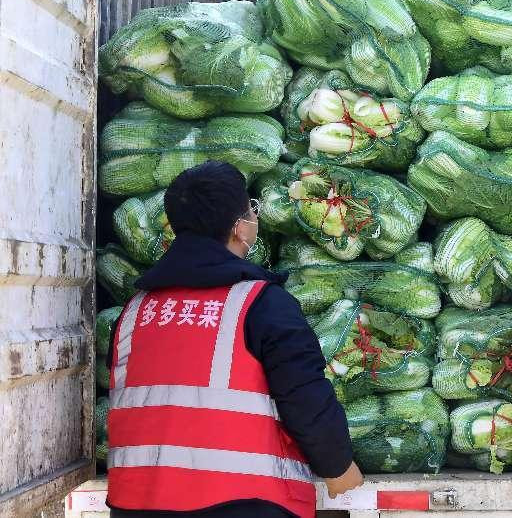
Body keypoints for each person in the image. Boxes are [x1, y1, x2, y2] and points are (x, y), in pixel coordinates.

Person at [105, 161, 363, 518]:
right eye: (251, 210)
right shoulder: (261, 304)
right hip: (239, 502)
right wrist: (338, 466)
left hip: (136, 505)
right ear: (241, 228)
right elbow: (304, 396)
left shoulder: (134, 312)